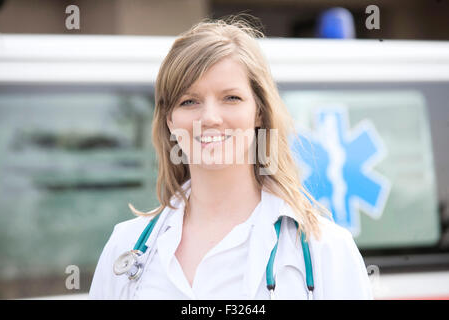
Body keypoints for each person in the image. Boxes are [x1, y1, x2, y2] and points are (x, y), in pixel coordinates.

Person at [89, 15, 373, 300]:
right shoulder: (125, 249)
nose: (210, 118)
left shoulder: (325, 250)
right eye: (189, 101)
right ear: (170, 121)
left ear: (259, 112)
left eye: (231, 98)